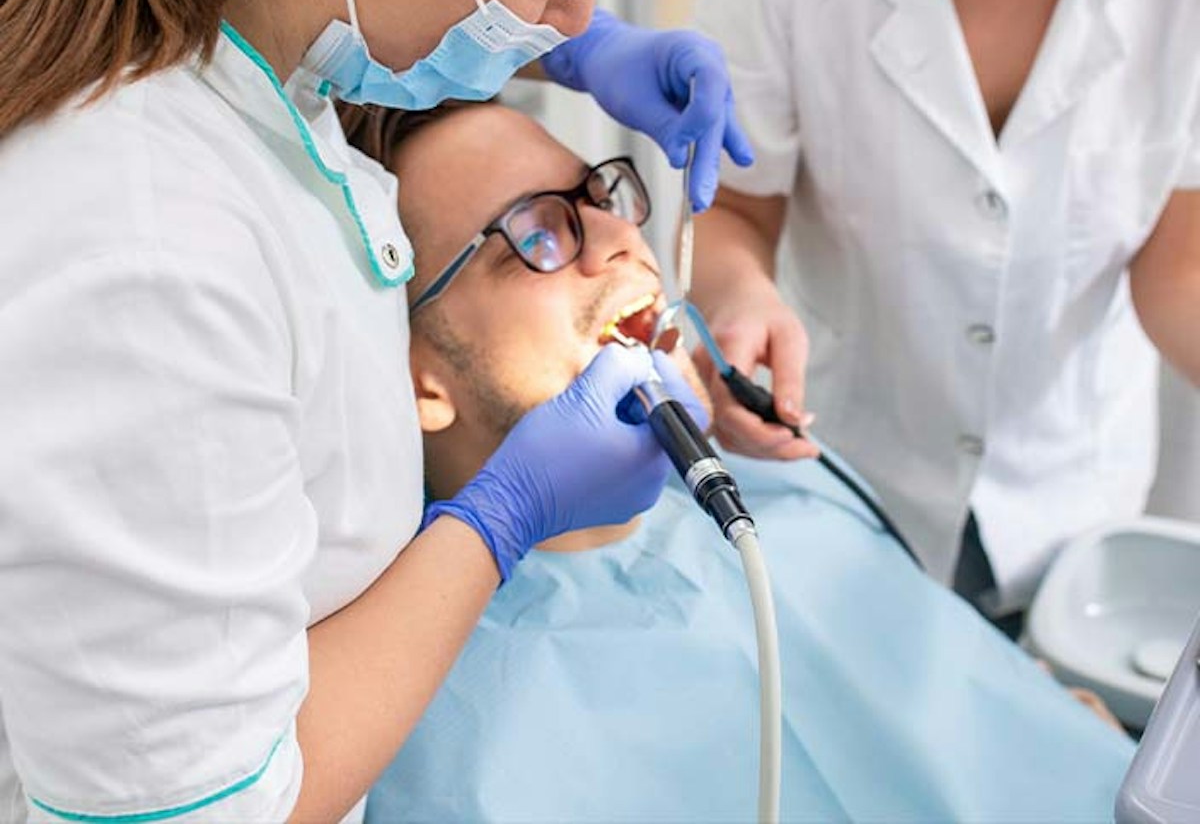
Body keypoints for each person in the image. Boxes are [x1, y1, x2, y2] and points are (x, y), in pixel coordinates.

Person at [0, 0, 753, 820]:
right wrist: (501, 515)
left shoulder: (237, 33)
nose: (583, 14)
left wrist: (559, 44)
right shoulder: (142, 252)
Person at [341, 99, 1133, 824]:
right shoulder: (434, 737)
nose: (622, 239)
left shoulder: (779, 489)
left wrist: (1047, 735)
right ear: (416, 377)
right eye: (537, 235)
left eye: (600, 196)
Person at [690, 0, 1200, 631]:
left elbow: (1176, 269)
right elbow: (733, 209)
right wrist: (743, 299)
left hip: (1071, 526)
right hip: (838, 484)